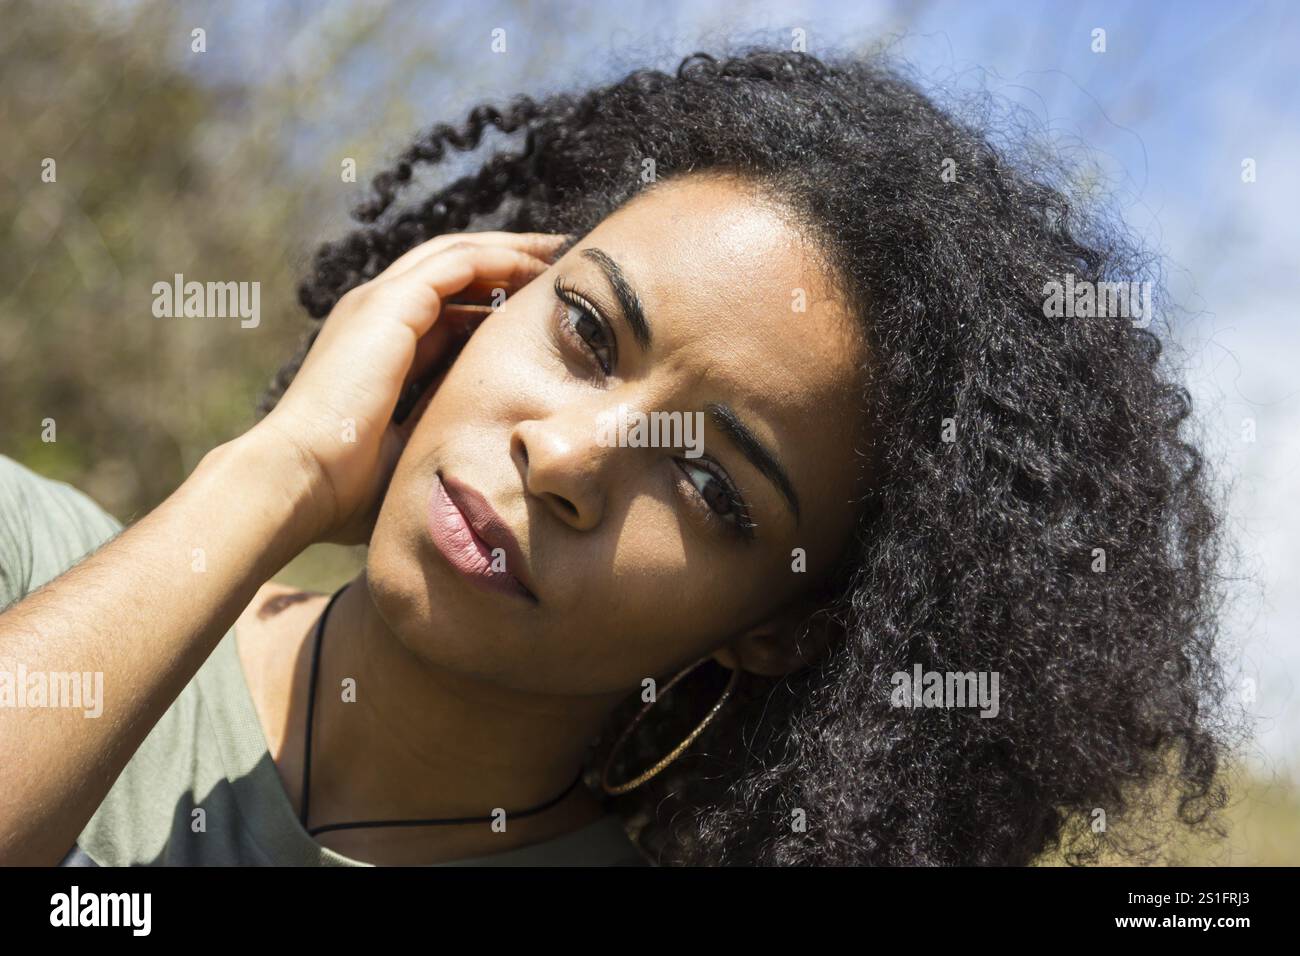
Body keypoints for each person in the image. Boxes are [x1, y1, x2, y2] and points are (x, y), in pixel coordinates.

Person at [0, 48, 1238, 867]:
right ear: (470, 299)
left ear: (785, 626)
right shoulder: (29, 560)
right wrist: (269, 472)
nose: (568, 460)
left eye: (709, 483)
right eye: (587, 332)